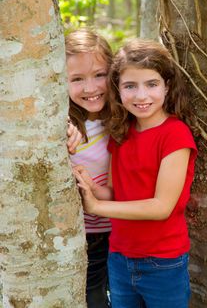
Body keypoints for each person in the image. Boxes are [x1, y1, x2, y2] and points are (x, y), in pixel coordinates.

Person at [74, 38, 197, 308]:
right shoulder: (121, 133)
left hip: (163, 261)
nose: (141, 96)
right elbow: (118, 194)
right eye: (130, 86)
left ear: (167, 85)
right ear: (117, 89)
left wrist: (98, 206)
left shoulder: (175, 136)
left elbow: (161, 207)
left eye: (151, 84)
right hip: (118, 257)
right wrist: (92, 187)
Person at [65, 28, 113, 308]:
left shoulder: (128, 114)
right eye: (77, 79)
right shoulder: (66, 125)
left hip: (127, 229)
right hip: (88, 235)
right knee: (94, 298)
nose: (90, 88)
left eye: (99, 75)